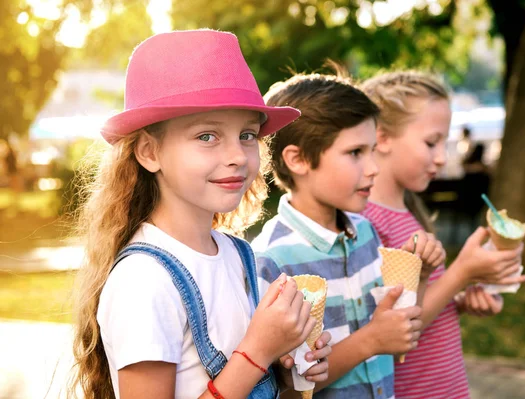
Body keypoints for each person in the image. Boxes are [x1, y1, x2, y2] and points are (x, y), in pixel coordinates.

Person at [69, 29, 331, 399]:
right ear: (149, 153)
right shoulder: (144, 281)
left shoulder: (237, 255)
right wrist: (257, 353)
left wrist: (285, 367)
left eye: (248, 135)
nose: (238, 156)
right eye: (207, 136)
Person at [252, 72, 444, 398]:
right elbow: (285, 389)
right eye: (356, 152)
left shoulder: (366, 232)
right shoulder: (271, 262)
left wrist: (420, 277)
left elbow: (398, 328)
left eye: (372, 151)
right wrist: (370, 340)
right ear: (297, 159)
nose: (373, 168)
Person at [360, 71, 525, 398]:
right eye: (431, 142)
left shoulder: (408, 214)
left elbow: (423, 300)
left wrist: (461, 300)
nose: (442, 157)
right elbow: (395, 329)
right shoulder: (367, 223)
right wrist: (462, 273)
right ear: (381, 137)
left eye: (444, 143)